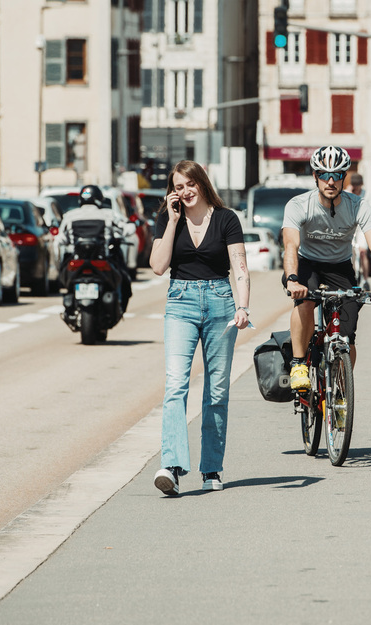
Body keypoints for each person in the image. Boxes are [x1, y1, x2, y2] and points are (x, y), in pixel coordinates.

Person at [149, 160, 250, 496]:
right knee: (176, 384)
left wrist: (243, 306)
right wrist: (173, 220)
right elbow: (158, 266)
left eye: (190, 184)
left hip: (221, 302)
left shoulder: (226, 219)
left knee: (216, 391)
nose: (185, 191)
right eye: (178, 187)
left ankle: (211, 468)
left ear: (202, 184)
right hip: (180, 301)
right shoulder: (168, 218)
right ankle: (172, 467)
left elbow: (239, 266)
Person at [282, 146, 371, 391]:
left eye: (337, 175)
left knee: (347, 336)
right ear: (315, 176)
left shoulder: (357, 205)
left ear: (344, 177)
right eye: (324, 174)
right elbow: (290, 245)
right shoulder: (299, 204)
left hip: (340, 268)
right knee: (306, 300)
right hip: (306, 264)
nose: (330, 181)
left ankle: (341, 391)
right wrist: (292, 279)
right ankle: (299, 363)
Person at [54, 184, 134, 311]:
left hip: (76, 262)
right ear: (99, 198)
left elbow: (60, 239)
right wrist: (121, 235)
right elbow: (128, 228)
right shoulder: (108, 214)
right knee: (124, 279)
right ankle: (119, 309)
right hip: (103, 260)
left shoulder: (70, 215)